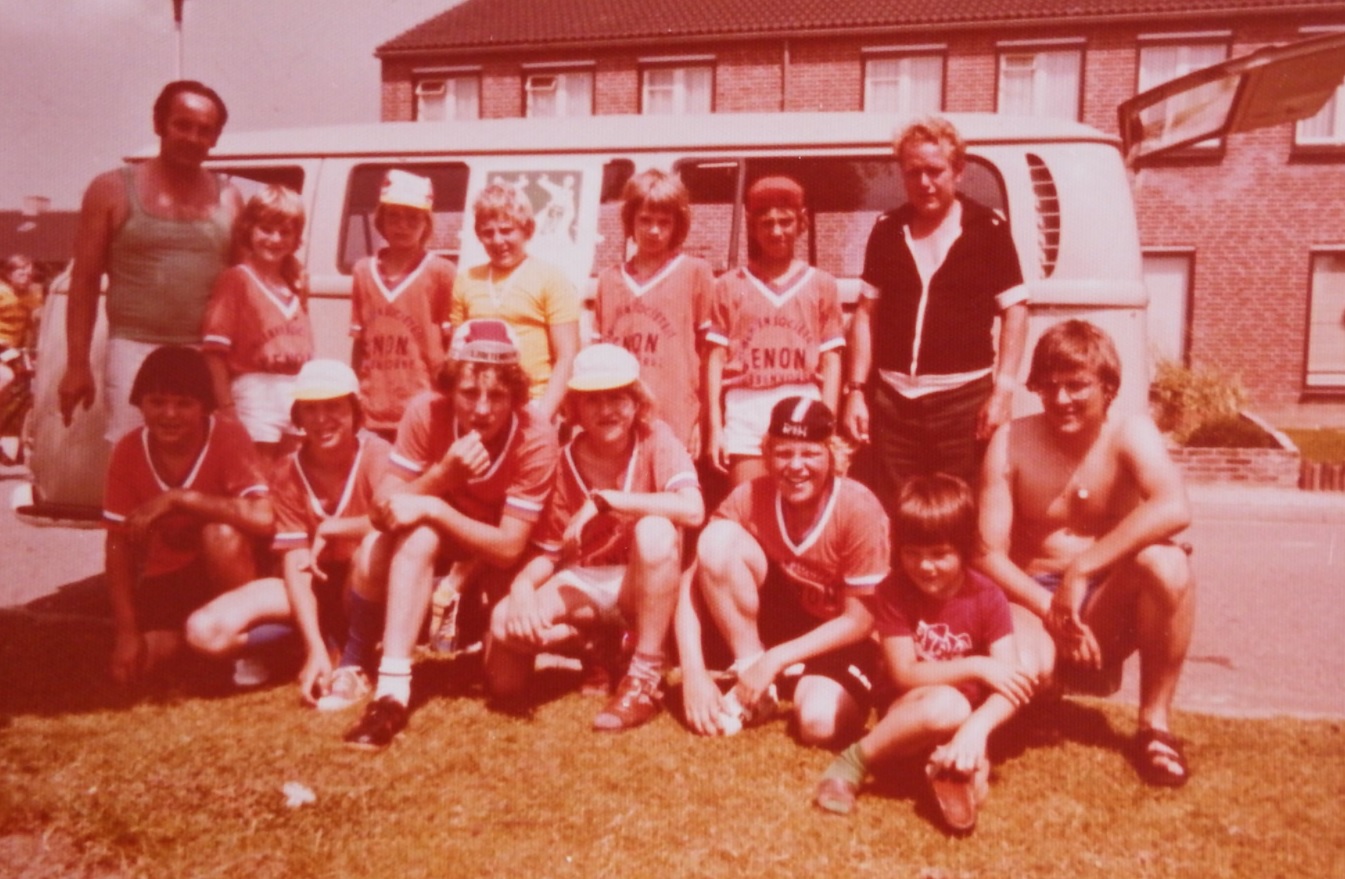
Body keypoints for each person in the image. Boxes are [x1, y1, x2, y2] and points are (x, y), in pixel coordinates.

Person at [978, 319, 1196, 787]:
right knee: (1022, 669)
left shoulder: (1131, 432)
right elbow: (986, 553)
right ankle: (1039, 700)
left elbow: (1174, 506)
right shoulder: (1011, 440)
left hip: (1104, 603)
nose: (1061, 399)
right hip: (1034, 602)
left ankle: (1155, 727)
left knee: (1169, 563)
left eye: (1077, 385)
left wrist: (1082, 570)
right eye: (1049, 385)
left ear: (1108, 388)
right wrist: (1051, 608)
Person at [338, 318, 559, 749]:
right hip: (438, 541)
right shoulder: (426, 411)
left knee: (507, 685)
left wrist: (435, 505)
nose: (482, 409)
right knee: (387, 546)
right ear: (449, 387)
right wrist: (442, 477)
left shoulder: (535, 434)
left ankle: (479, 628)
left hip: (496, 553)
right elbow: (381, 513)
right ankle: (388, 690)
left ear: (516, 395)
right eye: (469, 392)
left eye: (497, 395)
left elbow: (508, 548)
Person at [485, 344, 704, 730]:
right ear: (575, 408)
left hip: (638, 581)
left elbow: (693, 509)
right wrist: (521, 587)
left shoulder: (656, 439)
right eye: (593, 400)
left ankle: (644, 677)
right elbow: (550, 552)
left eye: (617, 397)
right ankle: (591, 644)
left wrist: (607, 500)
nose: (607, 410)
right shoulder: (563, 459)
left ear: (636, 401)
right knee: (505, 625)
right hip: (584, 582)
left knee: (655, 530)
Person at [813, 474, 1036, 832]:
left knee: (976, 788)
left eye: (939, 554)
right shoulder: (894, 591)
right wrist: (978, 666)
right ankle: (854, 761)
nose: (925, 566)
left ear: (963, 548)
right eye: (912, 553)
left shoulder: (988, 597)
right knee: (948, 705)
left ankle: (939, 765)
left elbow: (1013, 685)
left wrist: (976, 730)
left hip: (962, 723)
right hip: (910, 712)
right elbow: (904, 673)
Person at [676, 397, 889, 746]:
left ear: (832, 454)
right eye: (784, 453)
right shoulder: (749, 496)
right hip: (782, 626)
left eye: (810, 454)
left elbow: (860, 621)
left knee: (819, 724)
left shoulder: (858, 507)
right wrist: (693, 673)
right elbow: (691, 579)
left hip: (841, 638)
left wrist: (775, 659)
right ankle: (752, 674)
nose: (796, 466)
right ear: (767, 453)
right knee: (716, 540)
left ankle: (780, 673)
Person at [182, 360, 392, 705]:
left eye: (333, 407)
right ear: (298, 415)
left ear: (354, 410)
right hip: (313, 584)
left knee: (371, 547)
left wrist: (334, 527)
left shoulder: (376, 455)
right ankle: (315, 647)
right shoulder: (287, 469)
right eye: (310, 409)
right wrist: (314, 648)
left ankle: (356, 654)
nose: (321, 419)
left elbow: (393, 518)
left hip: (362, 585)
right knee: (204, 631)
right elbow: (296, 561)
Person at [843, 116, 1027, 500]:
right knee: (896, 508)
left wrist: (1003, 392)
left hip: (962, 403)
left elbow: (1015, 311)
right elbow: (865, 312)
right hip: (893, 403)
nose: (924, 182)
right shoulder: (887, 230)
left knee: (958, 508)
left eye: (934, 171)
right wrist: (856, 391)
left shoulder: (988, 229)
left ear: (958, 171)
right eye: (913, 173)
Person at [60, 80, 242, 441]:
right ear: (159, 124)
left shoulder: (230, 197)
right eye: (183, 125)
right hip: (134, 349)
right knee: (132, 456)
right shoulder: (111, 189)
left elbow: (245, 281)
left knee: (202, 462)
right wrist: (77, 365)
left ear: (216, 138)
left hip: (206, 354)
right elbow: (84, 281)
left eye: (204, 130)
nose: (193, 138)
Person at [101, 345, 273, 685]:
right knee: (135, 668)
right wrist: (126, 632)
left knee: (220, 534)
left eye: (183, 404)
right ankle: (204, 645)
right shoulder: (128, 450)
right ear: (140, 403)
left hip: (226, 571)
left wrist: (181, 499)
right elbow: (117, 546)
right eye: (157, 402)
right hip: (168, 578)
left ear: (204, 406)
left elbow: (263, 517)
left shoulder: (227, 435)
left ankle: (250, 647)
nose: (169, 414)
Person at [704, 176, 843, 485]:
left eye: (785, 222)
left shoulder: (821, 284)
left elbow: (831, 360)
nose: (777, 231)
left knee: (801, 502)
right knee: (748, 500)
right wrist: (715, 428)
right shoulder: (730, 285)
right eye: (767, 223)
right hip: (746, 404)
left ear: (802, 223)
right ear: (753, 227)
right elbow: (715, 358)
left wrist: (827, 422)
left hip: (801, 399)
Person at [593, 169, 715, 454]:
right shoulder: (609, 279)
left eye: (664, 222)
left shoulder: (695, 272)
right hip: (619, 417)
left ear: (677, 225)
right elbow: (598, 360)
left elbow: (709, 356)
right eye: (645, 220)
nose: (654, 231)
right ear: (630, 221)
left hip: (675, 415)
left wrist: (702, 420)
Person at [201, 184, 313, 465]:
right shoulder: (236, 280)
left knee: (292, 474)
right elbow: (214, 354)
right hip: (256, 392)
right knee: (257, 475)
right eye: (266, 229)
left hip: (296, 392)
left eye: (285, 232)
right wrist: (226, 408)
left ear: (296, 238)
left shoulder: (295, 284)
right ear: (249, 230)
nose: (275, 239)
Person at [450, 183, 581, 424]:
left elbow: (568, 356)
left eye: (506, 230)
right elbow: (456, 356)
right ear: (478, 235)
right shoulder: (466, 280)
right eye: (488, 233)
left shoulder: (551, 278)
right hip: (481, 404)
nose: (497, 240)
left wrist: (542, 415)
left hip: (534, 401)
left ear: (527, 230)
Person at [350, 169, 456, 439]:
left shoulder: (441, 272)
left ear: (426, 223)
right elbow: (360, 344)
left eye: (412, 218)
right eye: (394, 216)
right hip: (373, 408)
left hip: (423, 405)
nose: (402, 225)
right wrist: (355, 393)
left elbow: (450, 345)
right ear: (381, 220)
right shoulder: (363, 271)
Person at [0, 254, 42, 391]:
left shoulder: (31, 296)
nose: (26, 279)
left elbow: (32, 325)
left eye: (29, 275)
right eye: (21, 275)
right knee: (6, 377)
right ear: (9, 275)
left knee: (33, 376)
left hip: (12, 351)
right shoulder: (2, 293)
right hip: (2, 345)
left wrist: (29, 348)